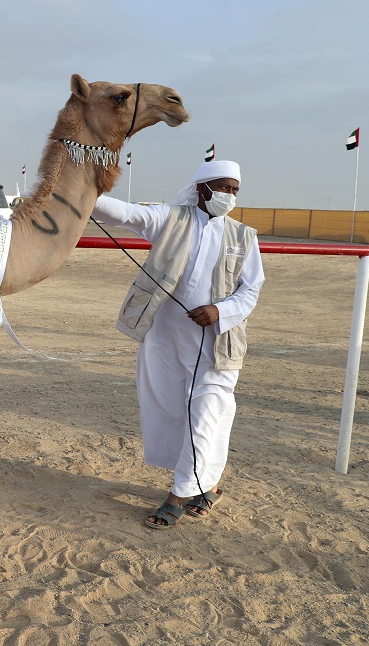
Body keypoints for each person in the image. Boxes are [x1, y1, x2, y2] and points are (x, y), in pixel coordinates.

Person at [93, 160, 264, 529]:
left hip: (218, 345)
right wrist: (81, 189)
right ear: (202, 188)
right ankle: (209, 486)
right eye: (224, 187)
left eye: (235, 190)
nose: (230, 195)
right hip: (166, 341)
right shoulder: (170, 219)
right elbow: (125, 213)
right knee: (176, 414)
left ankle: (179, 495)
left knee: (206, 415)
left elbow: (251, 291)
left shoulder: (243, 237)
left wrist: (219, 310)